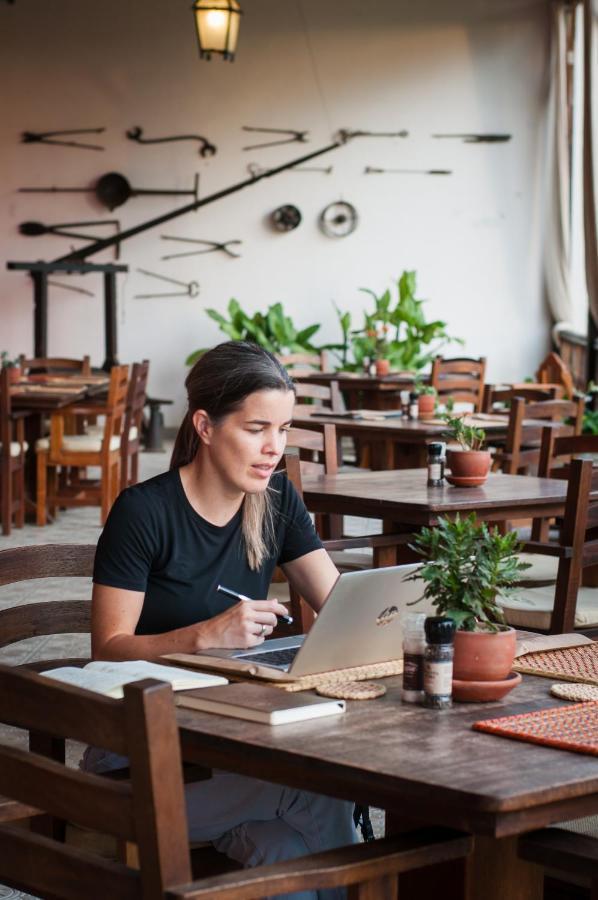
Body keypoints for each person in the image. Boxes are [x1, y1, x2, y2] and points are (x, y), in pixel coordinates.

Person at [88, 340, 357, 900]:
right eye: (257, 428)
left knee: (285, 853)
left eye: (283, 430)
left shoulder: (276, 501)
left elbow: (341, 605)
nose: (273, 449)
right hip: (140, 754)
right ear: (206, 426)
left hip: (235, 734)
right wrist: (205, 636)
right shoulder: (144, 512)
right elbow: (106, 649)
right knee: (322, 791)